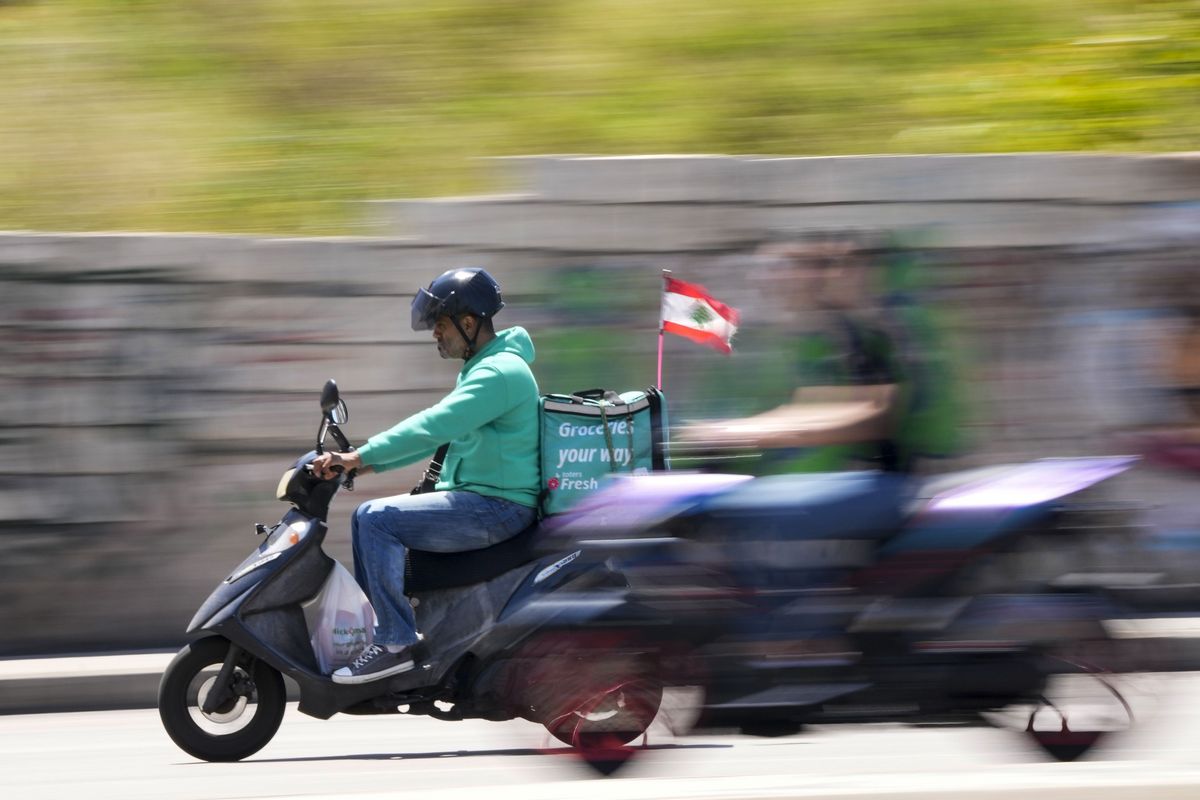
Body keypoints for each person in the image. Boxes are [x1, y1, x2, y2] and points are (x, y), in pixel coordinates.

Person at [310, 267, 541, 684]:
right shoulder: (483, 368)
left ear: (469, 323)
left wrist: (360, 456)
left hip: (496, 508)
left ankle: (395, 642)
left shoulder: (499, 373)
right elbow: (435, 435)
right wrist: (361, 460)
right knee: (382, 516)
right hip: (482, 500)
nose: (435, 333)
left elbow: (433, 426)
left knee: (374, 519)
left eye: (441, 323)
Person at [677, 232, 964, 474]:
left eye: (793, 266)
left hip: (867, 482)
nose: (772, 277)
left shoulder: (873, 333)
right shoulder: (783, 340)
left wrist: (742, 432)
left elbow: (866, 411)